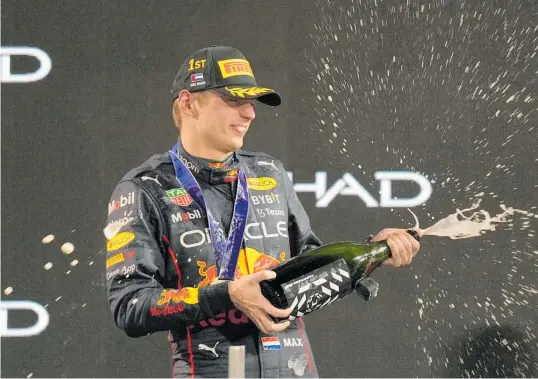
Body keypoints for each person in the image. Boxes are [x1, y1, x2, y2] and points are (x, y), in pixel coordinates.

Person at [104, 45, 421, 378]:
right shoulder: (145, 188)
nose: (250, 114)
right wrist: (226, 295)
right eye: (234, 101)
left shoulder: (269, 172)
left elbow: (309, 270)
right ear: (187, 103)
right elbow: (130, 306)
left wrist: (375, 253)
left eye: (251, 103)